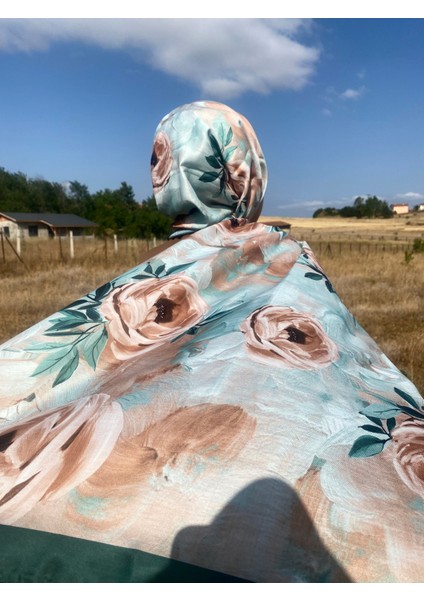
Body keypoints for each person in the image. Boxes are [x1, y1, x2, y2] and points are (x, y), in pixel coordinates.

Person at [0, 101, 423, 582]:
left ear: (165, 171)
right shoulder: (287, 258)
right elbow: (353, 364)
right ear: (247, 169)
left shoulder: (146, 274)